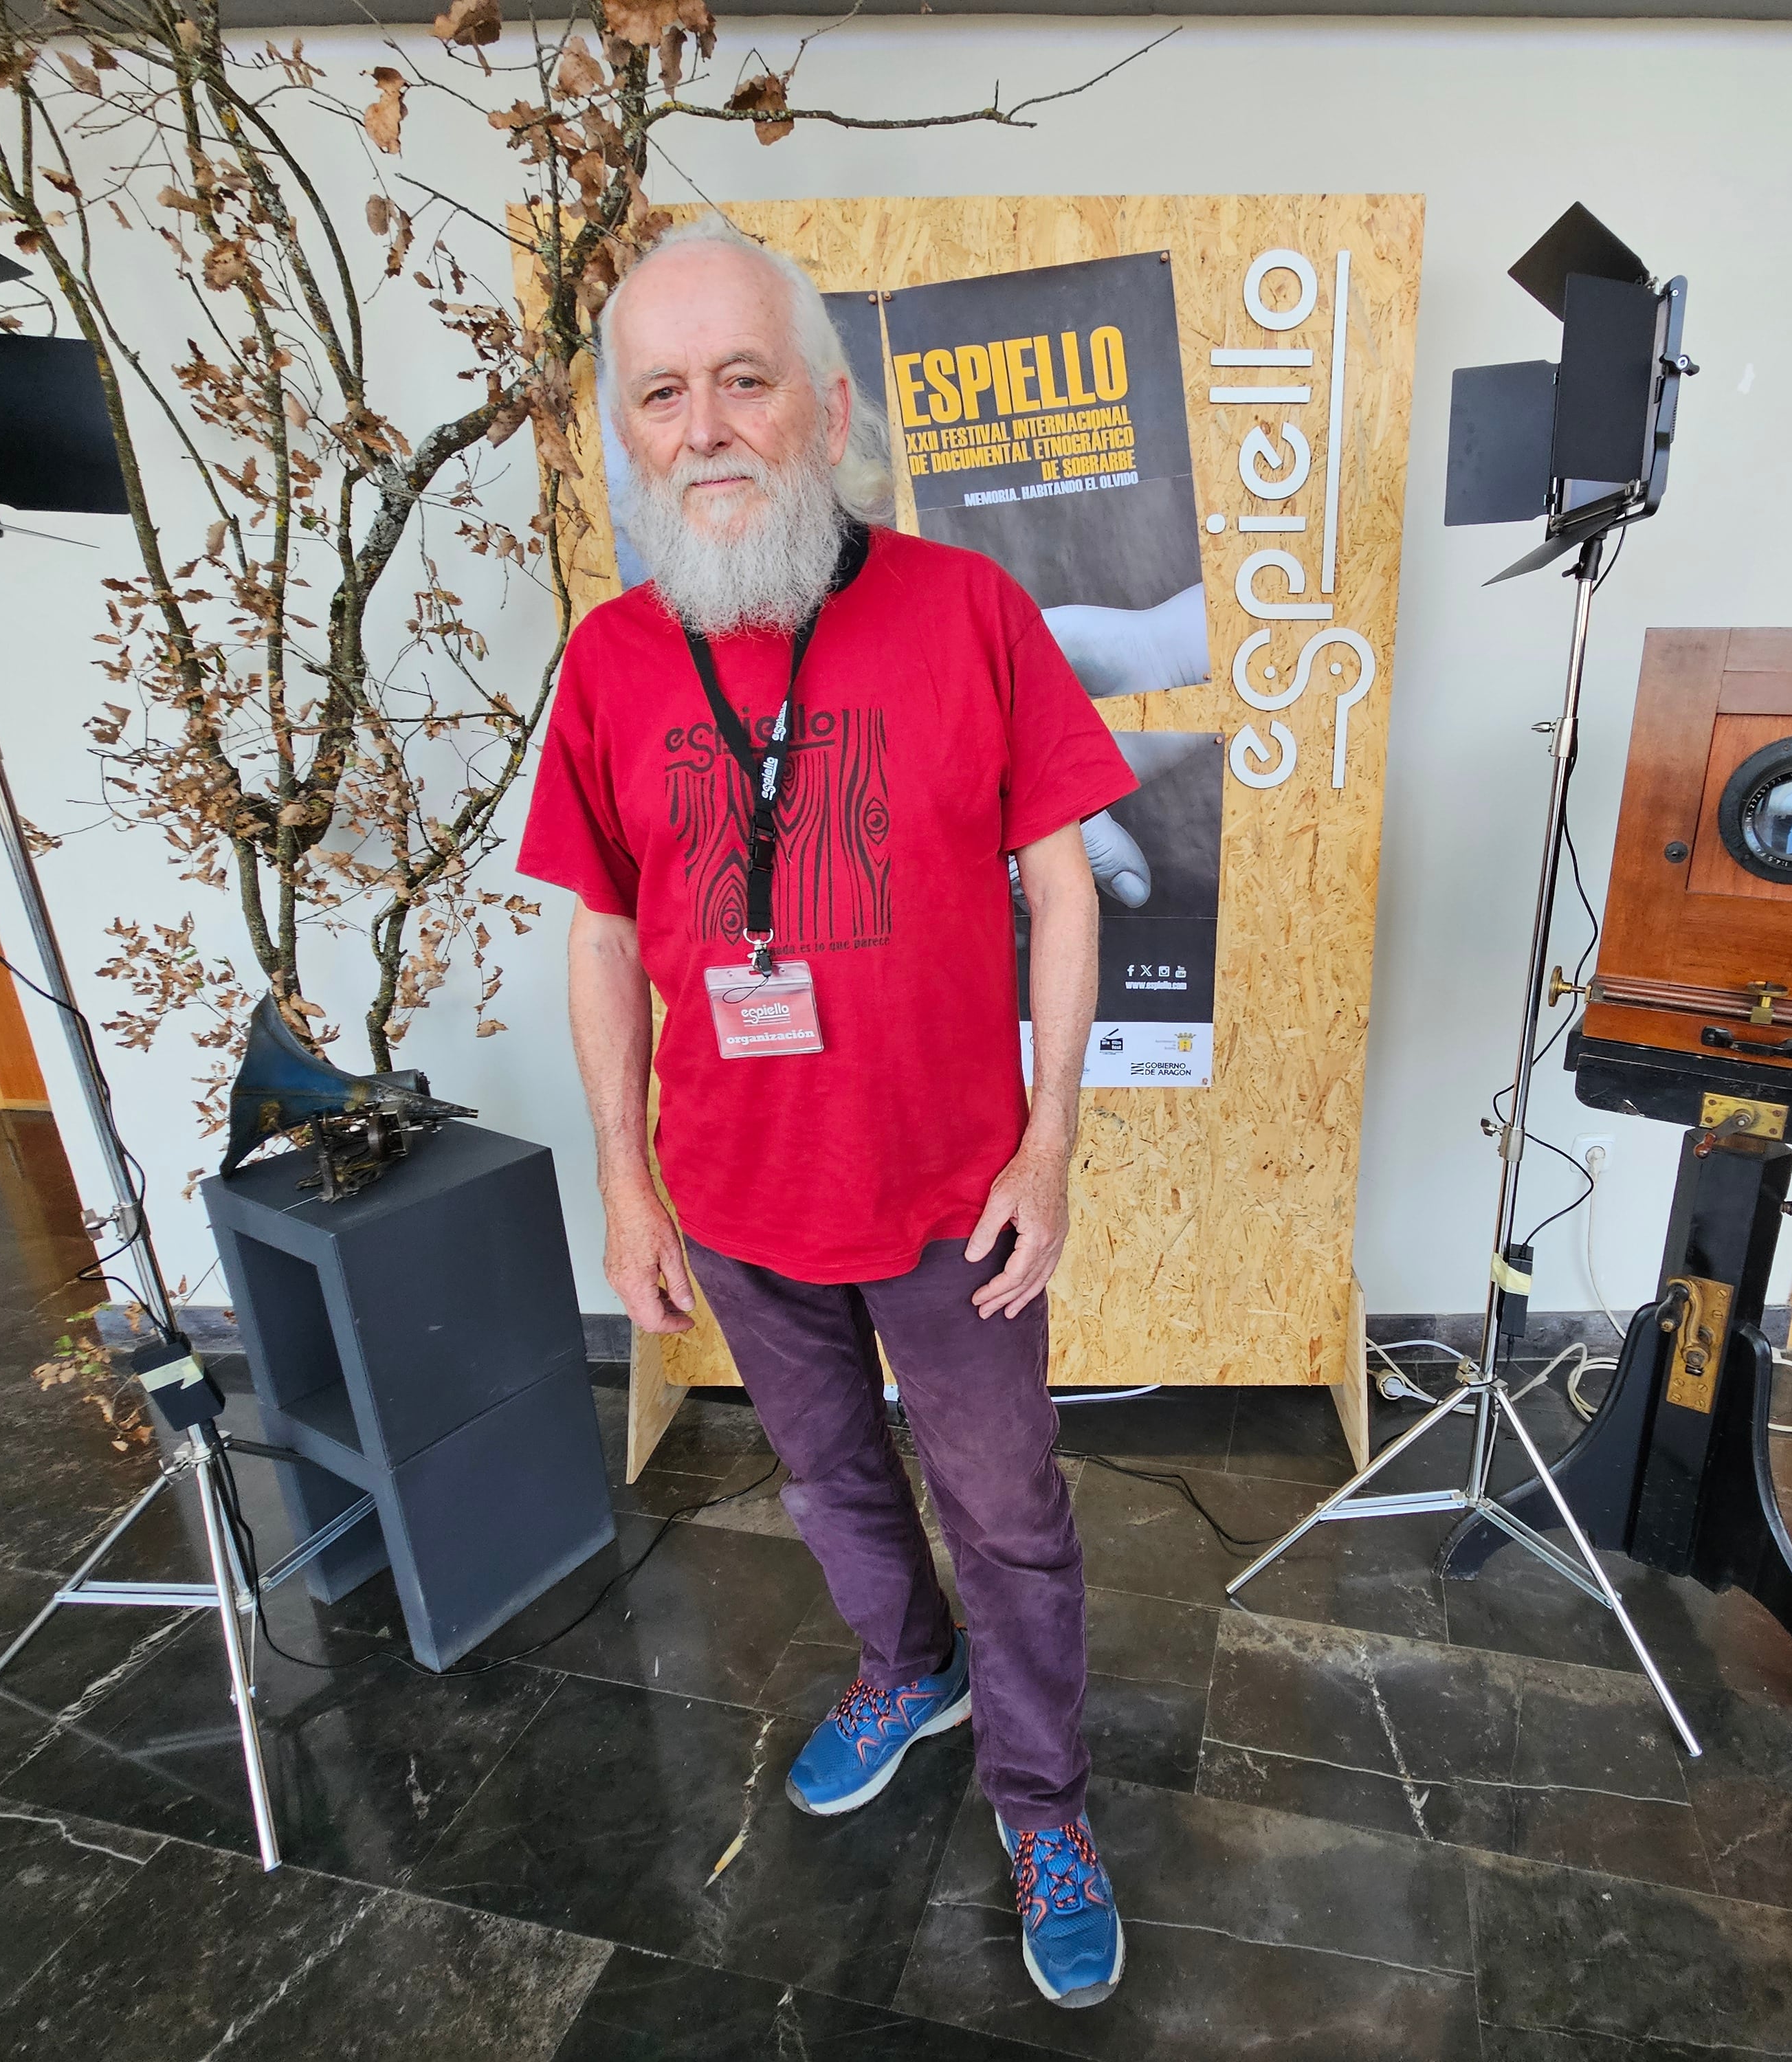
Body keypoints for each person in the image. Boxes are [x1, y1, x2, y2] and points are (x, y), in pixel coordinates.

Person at [516, 214, 1136, 2011]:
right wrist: (628, 1189)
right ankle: (907, 1672)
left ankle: (1043, 1800)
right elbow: (606, 929)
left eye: (741, 380)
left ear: (829, 409)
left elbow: (1069, 891)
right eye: (661, 394)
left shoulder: (970, 613)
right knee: (826, 1475)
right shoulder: (616, 661)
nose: (702, 425)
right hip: (734, 1196)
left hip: (956, 1198)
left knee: (1007, 1508)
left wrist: (1052, 1142)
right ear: (627, 435)